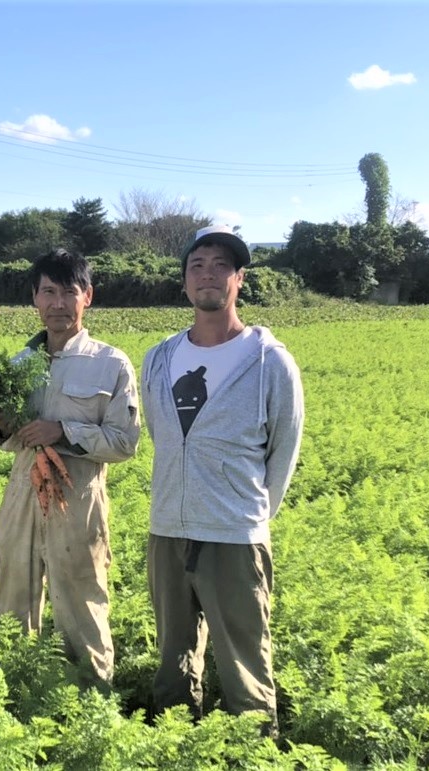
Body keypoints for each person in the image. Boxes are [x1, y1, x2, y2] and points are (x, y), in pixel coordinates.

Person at [141, 225, 304, 735]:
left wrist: (246, 512)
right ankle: (173, 738)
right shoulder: (161, 357)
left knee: (243, 658)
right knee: (172, 652)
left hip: (234, 533)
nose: (208, 274)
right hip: (168, 526)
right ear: (185, 282)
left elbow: (284, 451)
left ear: (239, 279)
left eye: (220, 265)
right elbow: (161, 434)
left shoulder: (268, 360)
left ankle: (253, 746)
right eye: (197, 265)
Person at [0, 248, 141, 685]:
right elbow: (6, 443)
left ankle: (93, 699)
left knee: (81, 601)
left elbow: (124, 442)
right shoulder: (17, 364)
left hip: (77, 497)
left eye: (68, 292)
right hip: (22, 493)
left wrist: (65, 431)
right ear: (34, 299)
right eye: (48, 292)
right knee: (12, 596)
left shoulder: (111, 363)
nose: (58, 303)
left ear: (87, 296)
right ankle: (13, 695)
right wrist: (2, 424)